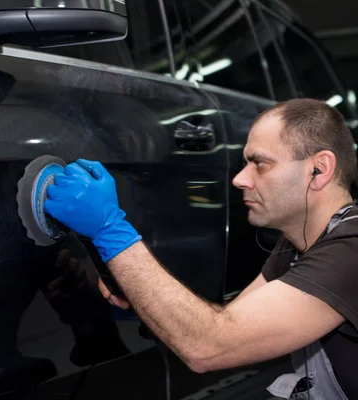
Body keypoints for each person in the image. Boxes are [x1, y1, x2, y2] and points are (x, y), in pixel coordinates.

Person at [44, 98, 358, 400]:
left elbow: (210, 345)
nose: (238, 179)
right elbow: (229, 321)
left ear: (319, 169)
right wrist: (136, 287)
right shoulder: (296, 247)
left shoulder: (351, 249)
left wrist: (110, 229)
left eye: (260, 164)